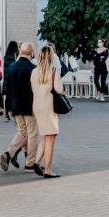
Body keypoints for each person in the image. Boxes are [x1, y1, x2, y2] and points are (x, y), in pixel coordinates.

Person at [0, 41, 37, 173]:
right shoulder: (33, 68)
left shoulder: (12, 67)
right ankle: (30, 164)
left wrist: (9, 108)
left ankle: (9, 153)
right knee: (32, 135)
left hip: (16, 105)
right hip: (30, 105)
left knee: (22, 132)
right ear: (31, 53)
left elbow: (8, 89)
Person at [31, 45, 65, 178]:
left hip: (37, 106)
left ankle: (36, 162)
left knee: (46, 135)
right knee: (51, 137)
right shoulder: (54, 71)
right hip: (49, 107)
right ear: (51, 57)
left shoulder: (34, 72)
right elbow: (59, 89)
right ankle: (48, 170)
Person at [1, 40, 19, 122]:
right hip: (14, 79)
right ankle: (15, 113)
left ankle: (7, 115)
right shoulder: (16, 55)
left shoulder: (6, 56)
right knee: (15, 96)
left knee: (7, 98)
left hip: (7, 79)